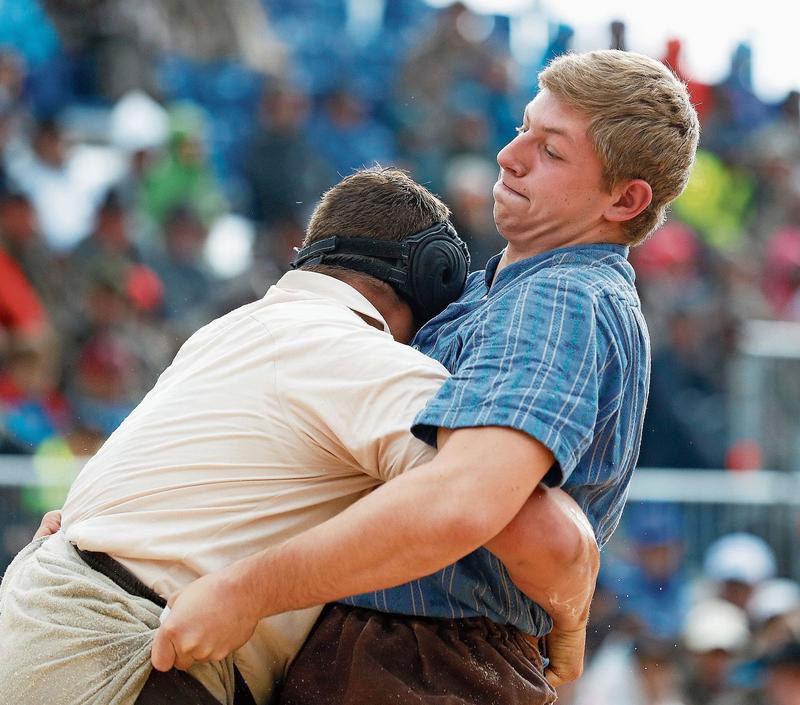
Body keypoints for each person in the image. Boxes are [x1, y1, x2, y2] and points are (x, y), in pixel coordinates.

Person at [151, 49, 700, 705]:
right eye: (524, 127)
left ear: (625, 197)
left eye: (551, 150)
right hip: (398, 648)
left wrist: (247, 589)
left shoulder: (561, 300)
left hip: (432, 660)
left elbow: (463, 501)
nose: (510, 154)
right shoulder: (495, 290)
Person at [0, 167, 596, 705]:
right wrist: (568, 625)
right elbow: (533, 531)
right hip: (127, 655)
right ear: (428, 278)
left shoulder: (227, 331)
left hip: (39, 617)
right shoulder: (360, 356)